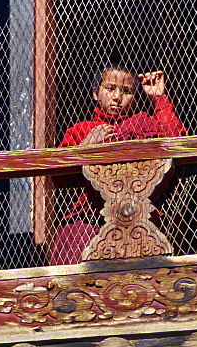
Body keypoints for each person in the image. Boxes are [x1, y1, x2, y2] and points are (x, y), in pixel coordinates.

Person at [50, 65, 186, 265]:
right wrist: (86, 146)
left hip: (139, 224)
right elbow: (58, 177)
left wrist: (159, 99)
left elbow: (176, 140)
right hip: (86, 224)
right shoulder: (81, 130)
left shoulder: (144, 125)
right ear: (96, 94)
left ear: (135, 98)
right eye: (110, 88)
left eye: (127, 91)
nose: (117, 97)